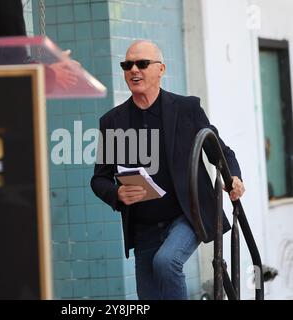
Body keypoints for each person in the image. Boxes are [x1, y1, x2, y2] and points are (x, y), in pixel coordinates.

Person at [91, 40, 245, 300]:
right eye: (127, 65)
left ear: (161, 69)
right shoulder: (112, 121)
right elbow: (99, 179)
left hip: (187, 216)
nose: (133, 70)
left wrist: (233, 177)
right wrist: (117, 194)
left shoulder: (187, 109)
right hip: (144, 227)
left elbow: (219, 150)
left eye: (141, 64)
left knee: (166, 262)